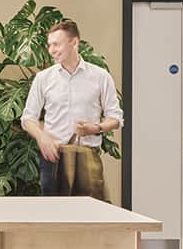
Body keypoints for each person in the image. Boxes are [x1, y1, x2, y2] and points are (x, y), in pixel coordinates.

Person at [20, 20, 124, 196]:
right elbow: (28, 118)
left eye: (56, 44)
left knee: (89, 217)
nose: (51, 50)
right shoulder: (43, 78)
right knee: (53, 218)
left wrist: (95, 128)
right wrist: (41, 137)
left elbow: (115, 118)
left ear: (74, 42)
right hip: (52, 158)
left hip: (87, 157)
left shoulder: (100, 77)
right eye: (49, 45)